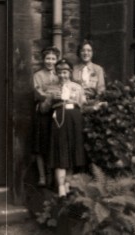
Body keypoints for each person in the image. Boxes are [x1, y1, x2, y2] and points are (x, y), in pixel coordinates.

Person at [48, 59, 86, 197]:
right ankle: (61, 189)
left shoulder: (77, 87)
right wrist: (51, 99)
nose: (62, 75)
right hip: (59, 121)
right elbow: (44, 108)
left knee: (71, 152)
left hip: (75, 120)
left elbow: (83, 105)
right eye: (59, 72)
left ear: (70, 72)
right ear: (56, 73)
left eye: (65, 72)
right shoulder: (51, 88)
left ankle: (68, 185)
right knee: (60, 153)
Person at [32, 46, 60, 187]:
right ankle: (42, 176)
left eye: (53, 59)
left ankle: (51, 175)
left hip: (56, 113)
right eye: (47, 58)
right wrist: (51, 95)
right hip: (43, 113)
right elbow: (38, 93)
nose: (50, 61)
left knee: (52, 145)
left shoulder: (60, 75)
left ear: (57, 60)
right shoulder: (38, 75)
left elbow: (63, 89)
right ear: (43, 60)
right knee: (40, 146)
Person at [73, 40, 106, 107]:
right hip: (76, 103)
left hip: (93, 103)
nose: (86, 53)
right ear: (79, 52)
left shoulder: (98, 69)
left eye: (89, 51)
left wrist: (95, 102)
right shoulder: (74, 69)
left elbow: (101, 89)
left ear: (92, 53)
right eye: (83, 50)